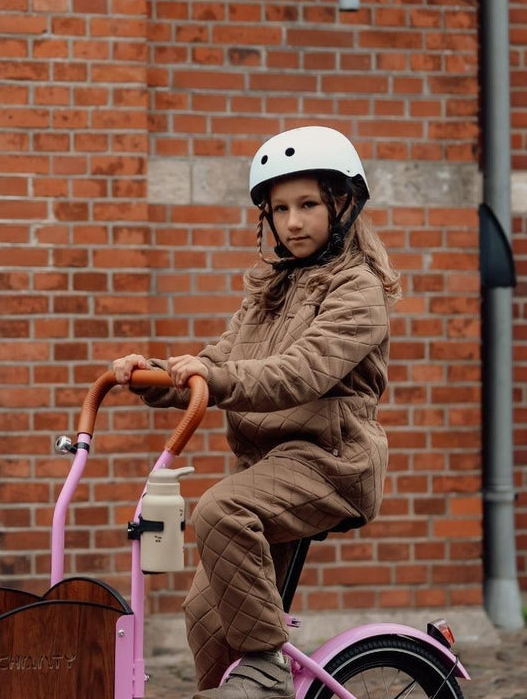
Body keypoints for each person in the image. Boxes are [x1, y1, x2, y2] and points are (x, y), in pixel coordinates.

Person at [113, 126, 401, 699]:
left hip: (328, 463)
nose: (293, 222)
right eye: (280, 209)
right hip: (269, 468)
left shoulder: (358, 291)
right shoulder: (269, 291)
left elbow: (302, 372)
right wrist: (155, 376)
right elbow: (221, 361)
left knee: (220, 509)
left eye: (308, 205)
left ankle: (265, 666)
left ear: (343, 204)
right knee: (206, 613)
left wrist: (212, 377)